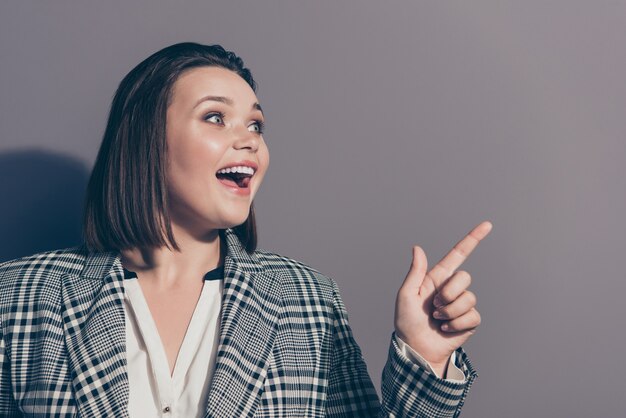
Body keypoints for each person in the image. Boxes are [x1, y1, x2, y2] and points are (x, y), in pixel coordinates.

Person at [0, 42, 492, 417]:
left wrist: (424, 358)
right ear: (145, 138)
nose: (249, 141)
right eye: (216, 117)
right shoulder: (20, 296)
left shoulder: (307, 300)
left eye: (256, 125)